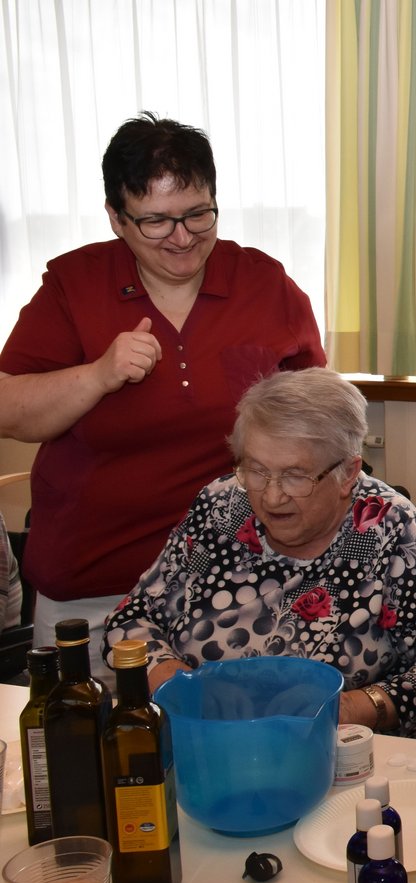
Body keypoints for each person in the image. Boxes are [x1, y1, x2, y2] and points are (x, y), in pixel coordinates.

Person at [0, 112, 325, 681]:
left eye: (198, 214)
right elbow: (8, 409)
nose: (182, 237)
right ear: (116, 217)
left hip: (239, 587)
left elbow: (319, 421)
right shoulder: (73, 286)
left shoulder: (264, 283)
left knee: (223, 730)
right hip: (95, 590)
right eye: (156, 221)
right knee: (89, 731)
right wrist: (97, 375)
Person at [103, 368, 416, 736]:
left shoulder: (387, 525)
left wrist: (353, 708)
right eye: (256, 470)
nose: (271, 496)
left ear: (348, 473)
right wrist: (177, 684)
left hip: (338, 751)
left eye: (295, 476)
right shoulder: (220, 509)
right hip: (206, 741)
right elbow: (130, 621)